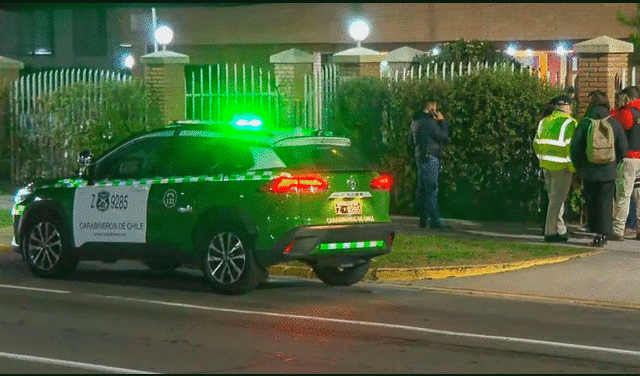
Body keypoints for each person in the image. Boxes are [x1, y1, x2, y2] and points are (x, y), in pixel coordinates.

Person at [571, 90, 628, 246]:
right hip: (608, 171)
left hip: (589, 171)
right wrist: (615, 163)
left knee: (592, 201)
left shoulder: (585, 122)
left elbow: (575, 147)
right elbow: (623, 147)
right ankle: (603, 234)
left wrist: (578, 166)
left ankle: (594, 230)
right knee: (605, 202)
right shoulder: (613, 123)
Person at [533, 95, 578, 242]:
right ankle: (550, 232)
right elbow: (571, 147)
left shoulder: (544, 122)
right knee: (557, 201)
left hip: (546, 165)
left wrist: (542, 160)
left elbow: (536, 143)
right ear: (566, 107)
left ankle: (560, 229)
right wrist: (573, 168)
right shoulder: (570, 123)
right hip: (562, 167)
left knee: (554, 198)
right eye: (571, 106)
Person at [408, 99, 449, 229]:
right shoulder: (430, 123)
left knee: (423, 189)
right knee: (432, 189)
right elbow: (443, 136)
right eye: (435, 108)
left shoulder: (415, 123)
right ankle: (435, 221)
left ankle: (423, 219)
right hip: (431, 156)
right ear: (431, 108)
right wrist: (442, 122)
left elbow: (410, 141)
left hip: (420, 157)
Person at [610, 86, 640, 241]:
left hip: (628, 160)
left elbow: (614, 124)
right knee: (639, 195)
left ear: (627, 98)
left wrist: (618, 109)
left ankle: (618, 230)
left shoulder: (626, 113)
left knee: (624, 195)